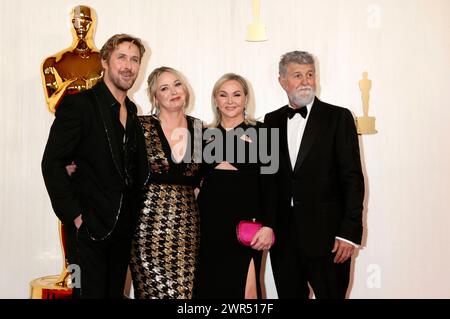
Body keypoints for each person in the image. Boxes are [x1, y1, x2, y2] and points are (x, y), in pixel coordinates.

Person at [41, 34, 149, 298]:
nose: (128, 66)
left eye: (134, 60)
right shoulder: (80, 105)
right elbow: (52, 163)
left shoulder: (133, 112)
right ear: (104, 61)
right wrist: (76, 217)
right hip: (87, 231)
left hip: (122, 230)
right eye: (121, 57)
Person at [264, 51, 365, 299]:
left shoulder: (338, 117)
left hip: (329, 238)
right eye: (297, 75)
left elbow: (352, 178)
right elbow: (267, 179)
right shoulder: (271, 121)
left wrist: (349, 233)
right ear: (282, 81)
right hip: (284, 239)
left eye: (310, 74)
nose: (306, 81)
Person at [194, 73, 276, 299]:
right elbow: (194, 184)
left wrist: (269, 225)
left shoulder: (264, 133)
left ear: (246, 98)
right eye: (223, 95)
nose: (230, 101)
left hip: (246, 226)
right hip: (208, 225)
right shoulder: (201, 135)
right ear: (215, 100)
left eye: (237, 94)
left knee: (248, 291)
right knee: (209, 289)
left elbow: (272, 185)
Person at [130, 66, 203, 299]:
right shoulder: (140, 126)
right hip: (147, 227)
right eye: (164, 88)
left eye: (177, 84)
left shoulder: (200, 129)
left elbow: (207, 178)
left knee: (186, 294)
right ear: (155, 97)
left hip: (188, 228)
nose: (173, 91)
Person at [41, 5, 103, 113]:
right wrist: (69, 85)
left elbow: (115, 103)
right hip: (68, 126)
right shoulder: (52, 63)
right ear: (70, 24)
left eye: (86, 20)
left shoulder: (108, 62)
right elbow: (52, 106)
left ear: (94, 24)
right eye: (75, 21)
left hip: (100, 127)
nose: (80, 25)